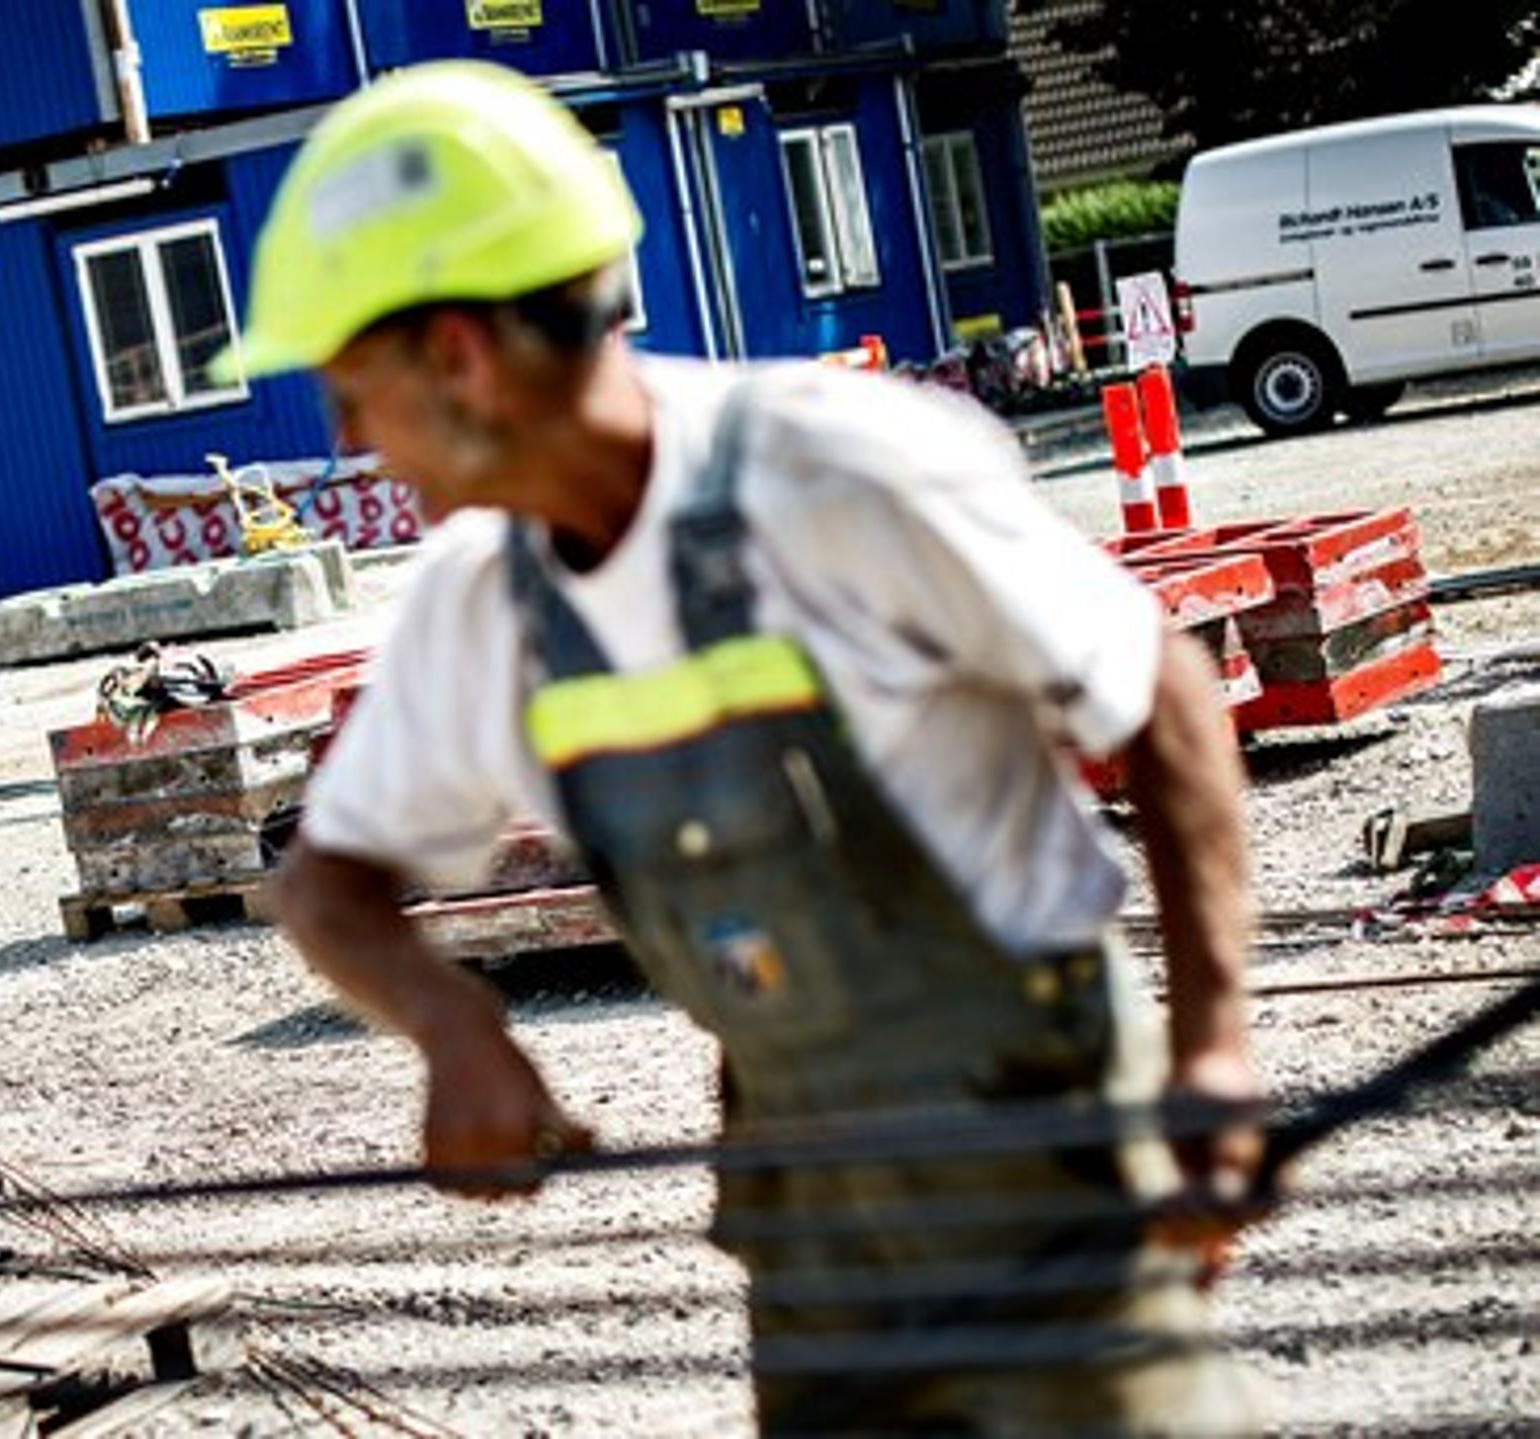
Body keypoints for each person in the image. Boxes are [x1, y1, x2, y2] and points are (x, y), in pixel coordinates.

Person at [241, 63, 1265, 1432]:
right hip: (804, 1189)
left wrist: (1213, 1045)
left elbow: (1166, 695)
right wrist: (453, 1024)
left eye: (348, 389)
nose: (347, 439)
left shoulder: (840, 471)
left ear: (459, 354)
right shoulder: (480, 598)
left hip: (1044, 1138)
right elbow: (327, 880)